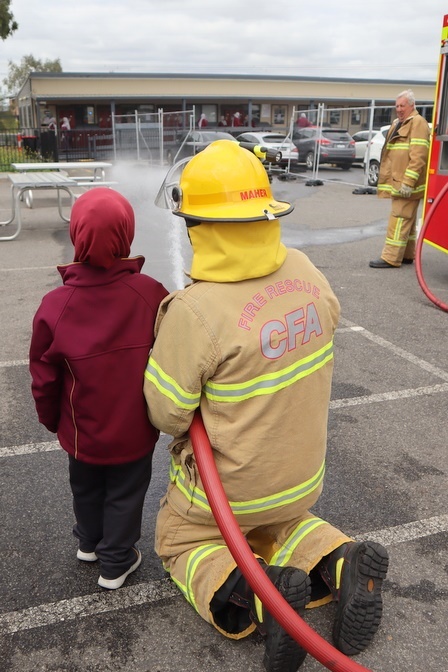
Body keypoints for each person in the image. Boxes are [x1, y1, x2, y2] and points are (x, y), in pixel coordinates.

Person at [144, 140, 389, 672]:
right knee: (285, 526)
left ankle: (257, 596)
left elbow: (166, 415)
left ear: (200, 226)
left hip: (227, 496)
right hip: (302, 479)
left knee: (180, 541)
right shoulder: (306, 271)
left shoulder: (196, 310)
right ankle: (341, 562)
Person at [29, 188, 169, 590]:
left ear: (76, 235)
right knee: (125, 493)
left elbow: (44, 375)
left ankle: (89, 543)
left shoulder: (56, 304)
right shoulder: (150, 294)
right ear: (127, 235)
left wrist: (51, 419)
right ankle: (116, 561)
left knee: (85, 486)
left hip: (80, 428)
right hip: (134, 429)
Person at [369, 89, 430, 268]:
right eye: (397, 106)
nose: (399, 109)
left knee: (399, 218)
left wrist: (408, 183)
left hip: (407, 185)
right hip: (399, 183)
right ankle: (407, 255)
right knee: (408, 221)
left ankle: (390, 257)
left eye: (402, 105)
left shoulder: (417, 122)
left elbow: (419, 156)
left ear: (412, 105)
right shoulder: (399, 122)